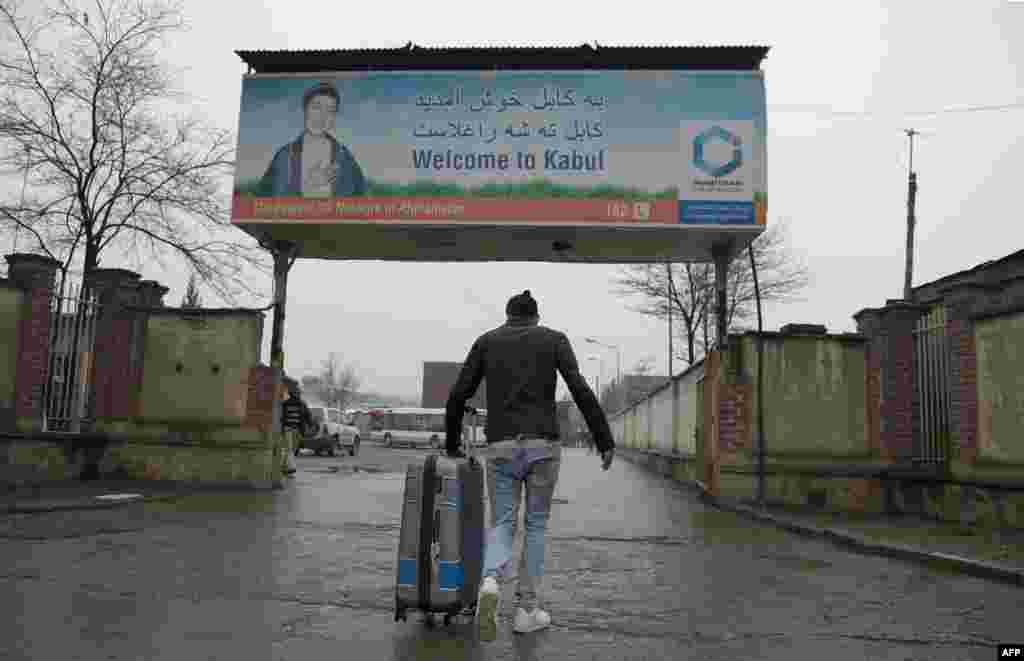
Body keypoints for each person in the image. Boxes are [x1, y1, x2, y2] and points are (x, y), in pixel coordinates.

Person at [445, 290, 615, 640]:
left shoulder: (486, 341)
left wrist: (451, 443)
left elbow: (457, 394)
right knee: (535, 526)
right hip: (542, 448)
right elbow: (579, 388)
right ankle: (526, 610)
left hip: (502, 448)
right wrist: (603, 438)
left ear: (508, 315)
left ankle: (491, 580)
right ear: (536, 317)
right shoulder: (554, 340)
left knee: (503, 524)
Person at [259, 82, 367, 198]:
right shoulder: (284, 155)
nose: (322, 116)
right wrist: (307, 187)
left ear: (334, 117)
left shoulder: (344, 157)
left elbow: (362, 197)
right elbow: (264, 199)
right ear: (305, 109)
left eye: (330, 110)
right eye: (316, 107)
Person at [281, 379, 311, 476]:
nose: (297, 395)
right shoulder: (286, 404)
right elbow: (308, 416)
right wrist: (310, 425)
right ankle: (289, 468)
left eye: (298, 393)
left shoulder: (300, 404)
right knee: (289, 449)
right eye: (296, 393)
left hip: (295, 430)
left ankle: (286, 467)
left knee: (292, 450)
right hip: (288, 430)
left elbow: (307, 416)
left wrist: (310, 425)